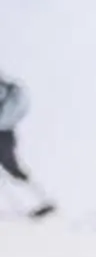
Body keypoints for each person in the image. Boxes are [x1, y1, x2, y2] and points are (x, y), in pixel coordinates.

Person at [0, 72, 51, 218]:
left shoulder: (4, 89)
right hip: (7, 133)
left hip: (3, 134)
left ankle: (42, 200)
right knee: (12, 168)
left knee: (12, 168)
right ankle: (41, 199)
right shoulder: (8, 88)